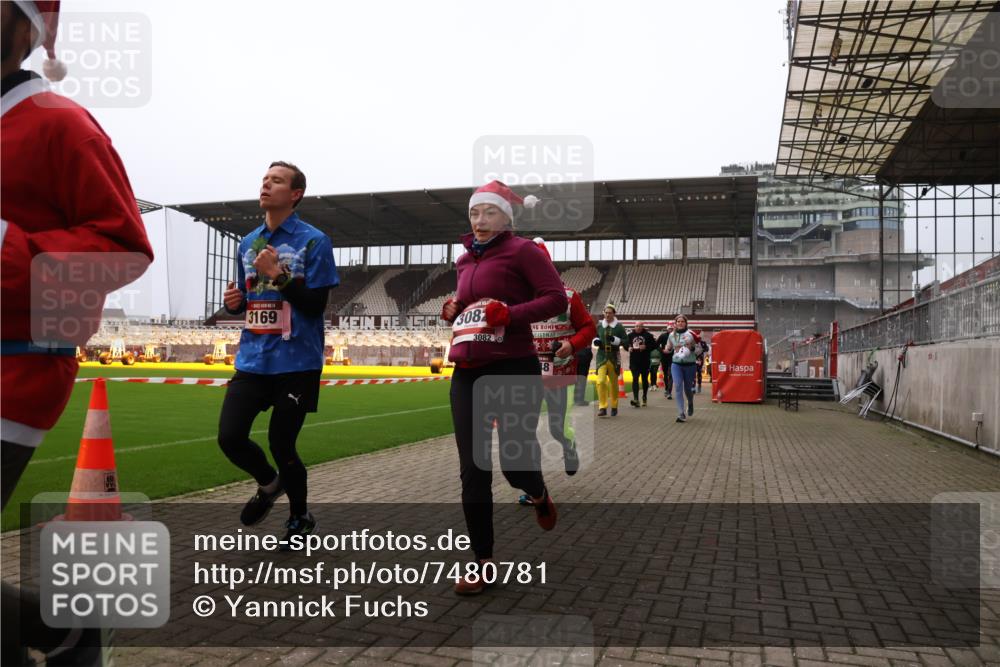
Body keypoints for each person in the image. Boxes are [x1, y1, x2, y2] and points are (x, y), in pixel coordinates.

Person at [1, 2, 154, 662]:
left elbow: (123, 247)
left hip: (15, 369)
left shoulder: (61, 124)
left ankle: (60, 628)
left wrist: (6, 249)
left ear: (21, 23)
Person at [440, 181, 567, 595]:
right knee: (473, 471)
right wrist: (455, 310)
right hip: (468, 372)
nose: (479, 221)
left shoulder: (524, 251)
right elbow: (471, 308)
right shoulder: (462, 261)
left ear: (506, 217)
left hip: (514, 368)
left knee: (515, 466)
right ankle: (482, 562)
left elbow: (554, 300)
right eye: (474, 214)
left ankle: (538, 492)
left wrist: (508, 314)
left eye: (488, 213)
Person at [217, 161, 339, 547]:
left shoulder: (314, 241)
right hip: (253, 359)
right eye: (265, 179)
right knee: (230, 437)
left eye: (277, 180)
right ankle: (270, 486)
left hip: (297, 363)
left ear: (295, 194)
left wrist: (280, 275)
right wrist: (235, 304)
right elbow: (253, 300)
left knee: (282, 444)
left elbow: (315, 304)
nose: (266, 184)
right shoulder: (247, 242)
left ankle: (300, 517)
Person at [525, 237, 596, 483]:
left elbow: (589, 328)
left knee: (556, 427)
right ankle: (532, 486)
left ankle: (569, 445)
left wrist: (572, 344)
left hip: (559, 373)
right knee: (525, 431)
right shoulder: (517, 297)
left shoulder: (568, 296)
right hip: (526, 373)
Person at [593, 304, 626, 417]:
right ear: (603, 313)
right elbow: (595, 336)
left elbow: (626, 342)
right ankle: (602, 407)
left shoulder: (619, 327)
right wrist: (596, 340)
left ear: (613, 314)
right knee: (600, 381)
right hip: (601, 356)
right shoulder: (599, 326)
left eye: (610, 312)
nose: (607, 314)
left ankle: (614, 406)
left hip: (613, 356)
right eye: (606, 312)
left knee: (613, 383)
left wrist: (616, 340)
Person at [664, 314, 698, 422]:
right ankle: (681, 413)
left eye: (682, 321)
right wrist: (667, 349)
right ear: (675, 323)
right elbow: (668, 347)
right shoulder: (671, 336)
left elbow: (698, 349)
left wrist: (691, 347)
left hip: (690, 365)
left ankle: (690, 403)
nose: (680, 323)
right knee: (678, 386)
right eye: (678, 321)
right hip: (676, 364)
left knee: (688, 389)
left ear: (686, 323)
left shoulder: (691, 334)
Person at [625, 322, 656, 407]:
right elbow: (625, 344)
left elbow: (654, 345)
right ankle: (636, 399)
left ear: (643, 327)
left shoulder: (648, 335)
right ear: (634, 327)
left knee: (644, 380)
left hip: (645, 361)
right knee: (635, 378)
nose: (638, 328)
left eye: (640, 326)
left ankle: (644, 397)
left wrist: (646, 347)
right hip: (634, 361)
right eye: (636, 326)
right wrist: (628, 348)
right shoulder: (630, 335)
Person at [656, 325, 675, 399]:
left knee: (671, 374)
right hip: (664, 357)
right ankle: (666, 388)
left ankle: (669, 391)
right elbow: (656, 345)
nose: (670, 330)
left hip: (673, 358)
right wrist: (662, 350)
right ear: (667, 329)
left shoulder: (676, 336)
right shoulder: (663, 336)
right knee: (665, 374)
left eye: (672, 329)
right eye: (669, 329)